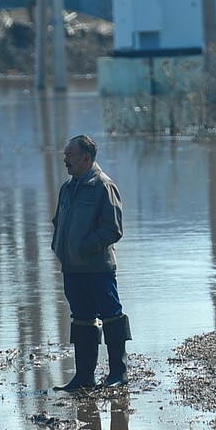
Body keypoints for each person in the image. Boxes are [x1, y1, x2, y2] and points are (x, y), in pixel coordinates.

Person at [51, 133, 132, 391]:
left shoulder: (103, 186)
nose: (65, 160)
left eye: (70, 155)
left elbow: (113, 229)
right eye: (65, 155)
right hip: (72, 268)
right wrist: (60, 248)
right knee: (81, 320)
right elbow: (58, 223)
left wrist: (85, 247)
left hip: (98, 268)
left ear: (86, 158)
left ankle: (119, 373)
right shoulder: (67, 188)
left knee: (111, 316)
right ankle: (84, 377)